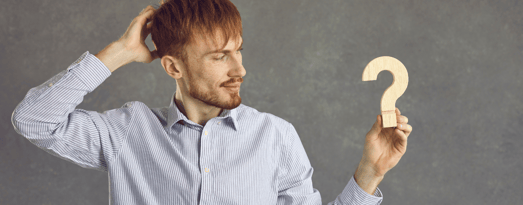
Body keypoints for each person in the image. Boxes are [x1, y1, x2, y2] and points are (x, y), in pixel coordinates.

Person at [11, 0, 412, 204]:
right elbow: (34, 120)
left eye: (238, 51)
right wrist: (118, 52)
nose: (238, 69)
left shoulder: (275, 136)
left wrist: (369, 173)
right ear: (173, 67)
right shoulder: (127, 132)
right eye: (219, 56)